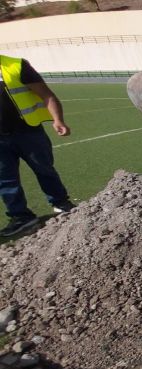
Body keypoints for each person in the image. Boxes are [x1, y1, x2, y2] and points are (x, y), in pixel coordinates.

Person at [0, 55, 74, 237]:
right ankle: (21, 217)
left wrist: (58, 120)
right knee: (5, 179)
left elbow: (46, 94)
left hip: (28, 132)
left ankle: (61, 203)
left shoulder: (15, 66)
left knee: (44, 169)